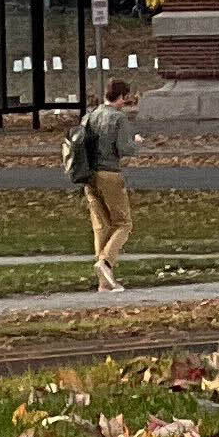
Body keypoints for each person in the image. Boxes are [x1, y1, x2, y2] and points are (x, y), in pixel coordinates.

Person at [67, 79, 139, 291]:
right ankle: (106, 261)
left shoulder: (90, 116)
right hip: (110, 173)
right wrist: (137, 142)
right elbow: (124, 148)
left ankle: (104, 282)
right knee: (123, 223)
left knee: (101, 226)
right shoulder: (118, 118)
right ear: (122, 97)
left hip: (89, 175)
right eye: (127, 97)